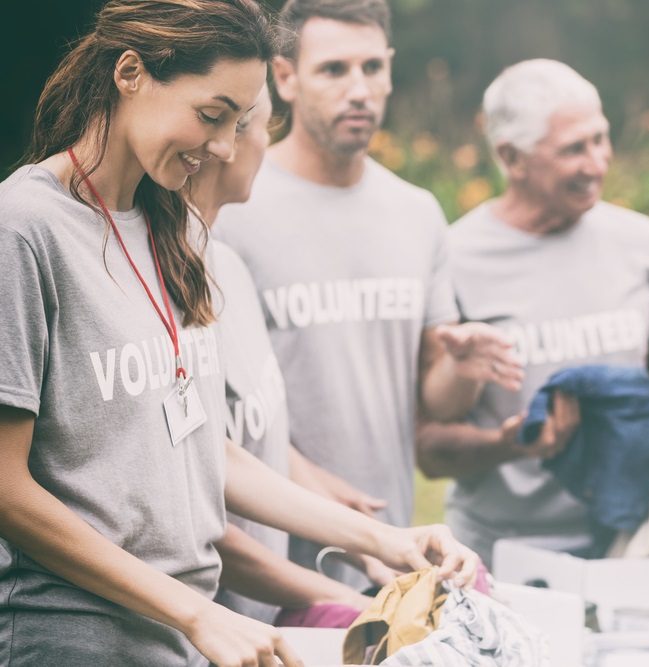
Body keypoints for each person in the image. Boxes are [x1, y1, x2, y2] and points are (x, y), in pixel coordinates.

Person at [0, 2, 479, 665]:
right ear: (131, 73)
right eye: (211, 114)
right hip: (73, 639)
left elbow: (206, 448)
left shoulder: (173, 230)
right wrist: (197, 610)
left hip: (177, 640)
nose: (224, 146)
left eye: (238, 121)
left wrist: (386, 540)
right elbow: (6, 487)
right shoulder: (23, 229)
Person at [213, 0, 521, 590]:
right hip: (261, 559)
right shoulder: (234, 203)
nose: (359, 89)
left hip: (389, 553)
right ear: (285, 77)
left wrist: (460, 368)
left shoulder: (418, 212)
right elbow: (215, 416)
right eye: (334, 70)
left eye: (372, 68)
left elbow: (439, 403)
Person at [416, 59, 649, 567]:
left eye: (601, 139)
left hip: (634, 542)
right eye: (574, 149)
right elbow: (430, 447)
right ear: (512, 157)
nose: (597, 163)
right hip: (502, 552)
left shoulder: (644, 245)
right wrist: (509, 446)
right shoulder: (453, 256)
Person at [189, 86, 374, 624]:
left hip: (266, 624)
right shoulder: (164, 289)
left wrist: (368, 540)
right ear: (227, 139)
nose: (268, 149)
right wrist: (351, 599)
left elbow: (251, 435)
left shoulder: (230, 268)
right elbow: (205, 521)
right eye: (268, 128)